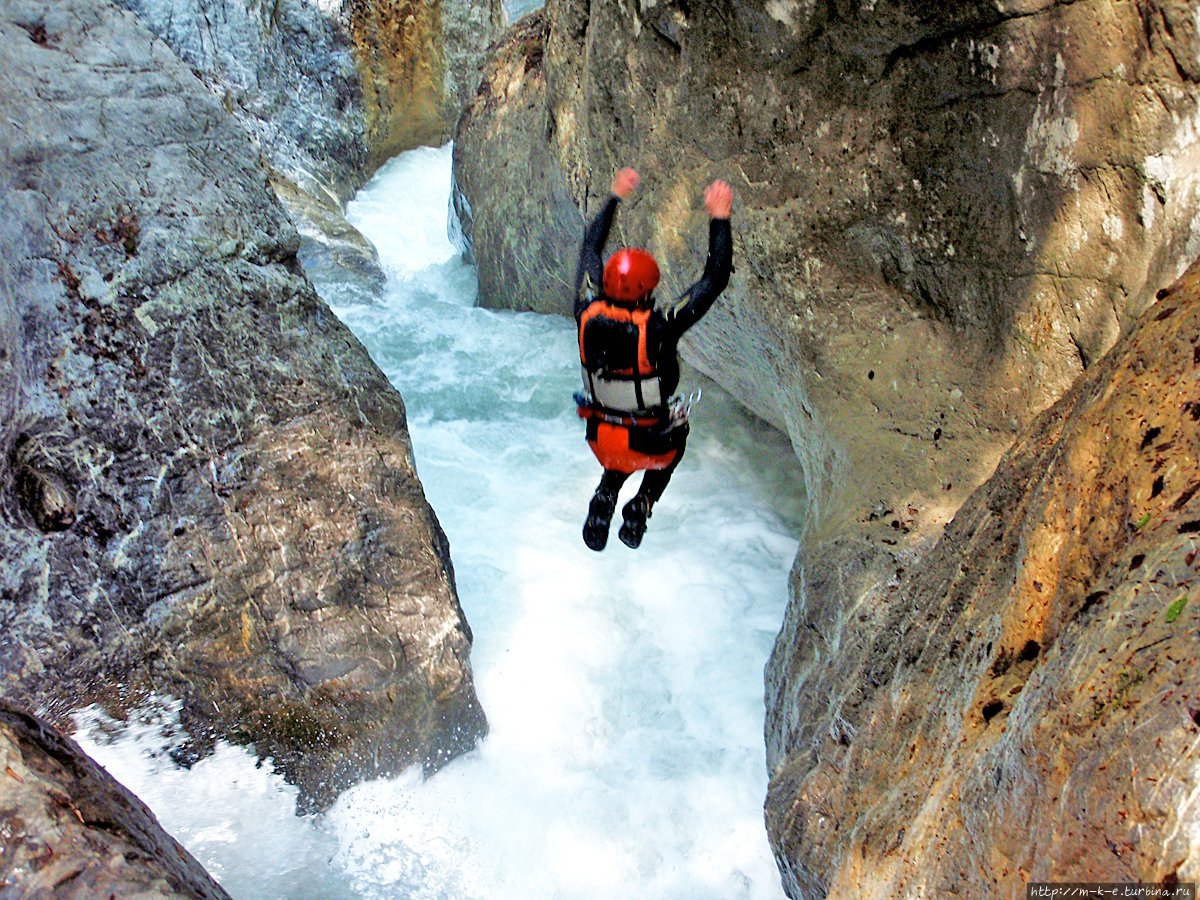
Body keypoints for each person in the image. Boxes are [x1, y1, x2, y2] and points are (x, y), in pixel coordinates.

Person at [574, 166, 733, 551]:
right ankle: (641, 505)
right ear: (647, 291)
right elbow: (715, 279)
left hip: (599, 439)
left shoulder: (585, 310)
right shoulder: (660, 327)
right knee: (675, 437)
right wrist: (720, 217)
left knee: (624, 441)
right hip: (651, 443)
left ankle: (606, 493)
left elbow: (590, 249)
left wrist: (614, 197)